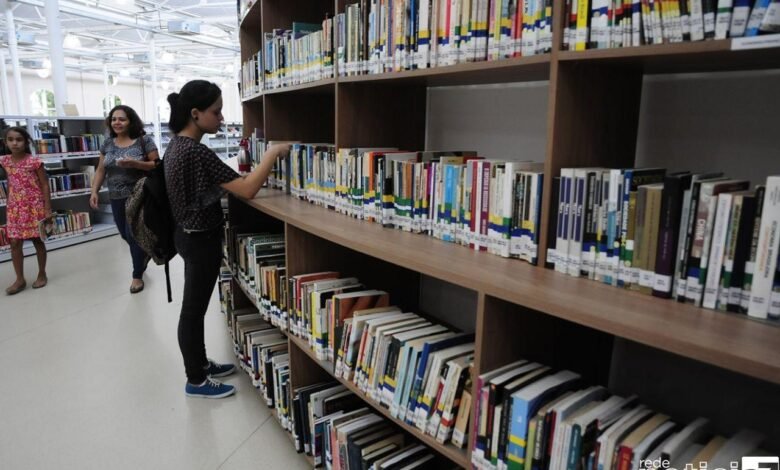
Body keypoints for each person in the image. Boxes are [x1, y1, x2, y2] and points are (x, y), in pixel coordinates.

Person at [164, 80, 289, 399]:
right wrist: (272, 153)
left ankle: (202, 364)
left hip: (186, 234)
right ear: (195, 114)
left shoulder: (176, 145)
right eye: (216, 112)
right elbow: (247, 189)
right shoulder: (196, 151)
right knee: (192, 311)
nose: (221, 119)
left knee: (196, 307)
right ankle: (196, 379)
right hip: (199, 239)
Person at [90, 105, 159, 294]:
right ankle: (143, 255)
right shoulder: (107, 144)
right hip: (115, 197)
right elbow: (101, 169)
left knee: (133, 234)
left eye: (122, 119)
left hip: (139, 195)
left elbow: (157, 165)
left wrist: (135, 163)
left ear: (131, 121)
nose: (117, 123)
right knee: (124, 234)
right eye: (114, 119)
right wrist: (94, 191)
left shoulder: (144, 141)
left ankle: (137, 276)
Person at [1, 127, 52, 295]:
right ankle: (19, 279)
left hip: (34, 207)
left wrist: (47, 209)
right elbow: (10, 181)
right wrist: (9, 201)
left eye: (19, 139)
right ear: (5, 142)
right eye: (10, 139)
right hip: (15, 208)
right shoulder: (5, 161)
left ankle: (42, 273)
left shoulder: (34, 162)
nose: (14, 143)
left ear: (26, 142)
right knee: (15, 242)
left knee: (38, 240)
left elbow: (44, 184)